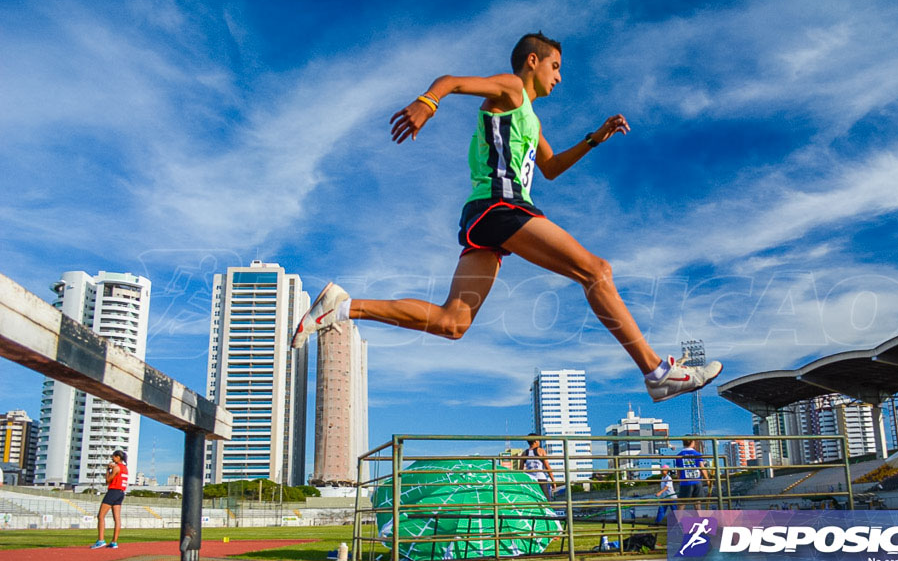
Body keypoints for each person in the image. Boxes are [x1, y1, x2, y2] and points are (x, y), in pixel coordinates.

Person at [289, 32, 722, 404]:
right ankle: (655, 372)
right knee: (596, 272)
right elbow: (454, 81)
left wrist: (595, 138)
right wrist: (428, 101)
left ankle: (341, 307)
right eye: (555, 66)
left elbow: (549, 168)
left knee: (452, 323)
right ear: (532, 61)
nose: (559, 76)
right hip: (501, 208)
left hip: (488, 223)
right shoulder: (512, 89)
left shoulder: (529, 119)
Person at [91, 450, 128, 549]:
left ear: (118, 457)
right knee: (117, 519)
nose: (112, 458)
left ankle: (101, 540)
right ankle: (114, 542)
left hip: (113, 491)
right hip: (121, 493)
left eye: (113, 457)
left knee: (101, 516)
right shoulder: (125, 468)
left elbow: (108, 480)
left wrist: (108, 470)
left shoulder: (116, 467)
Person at [674, 440, 709, 510]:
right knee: (697, 503)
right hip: (697, 481)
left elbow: (678, 471)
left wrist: (679, 480)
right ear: (693, 442)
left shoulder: (679, 455)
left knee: (681, 503)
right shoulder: (697, 454)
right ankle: (700, 519)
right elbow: (702, 468)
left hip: (685, 481)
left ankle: (678, 520)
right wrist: (707, 479)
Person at [520, 434, 555, 500]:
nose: (539, 442)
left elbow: (520, 470)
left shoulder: (524, 453)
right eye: (538, 440)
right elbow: (547, 467)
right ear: (535, 441)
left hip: (530, 479)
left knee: (532, 500)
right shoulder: (541, 451)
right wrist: (553, 481)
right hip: (541, 478)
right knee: (545, 500)